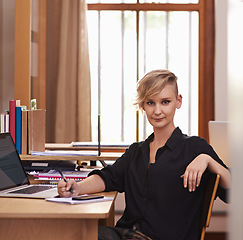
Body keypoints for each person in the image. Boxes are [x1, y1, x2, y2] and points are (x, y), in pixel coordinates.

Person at [57, 69, 230, 240]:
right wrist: (76, 188)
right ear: (142, 105)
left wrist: (207, 160)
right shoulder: (136, 151)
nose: (157, 111)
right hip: (125, 233)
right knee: (69, 234)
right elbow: (108, 177)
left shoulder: (194, 148)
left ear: (178, 102)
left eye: (165, 102)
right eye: (150, 103)